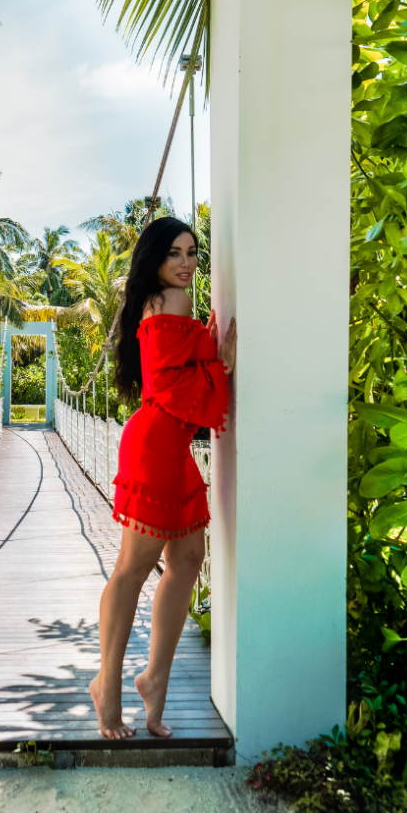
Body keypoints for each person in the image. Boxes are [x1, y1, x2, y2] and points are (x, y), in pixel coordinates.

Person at [89, 216, 237, 739]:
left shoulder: (163, 303)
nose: (186, 263)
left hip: (171, 448)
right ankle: (107, 686)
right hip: (155, 444)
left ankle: (155, 680)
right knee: (133, 568)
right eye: (174, 253)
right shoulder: (168, 302)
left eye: (193, 252)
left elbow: (180, 382)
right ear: (155, 258)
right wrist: (218, 362)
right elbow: (172, 390)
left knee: (189, 560)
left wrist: (211, 359)